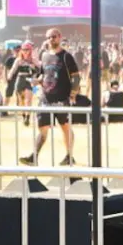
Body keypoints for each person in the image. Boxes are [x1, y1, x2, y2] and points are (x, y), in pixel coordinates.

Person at [20, 29, 80, 166]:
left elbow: (76, 76)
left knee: (65, 127)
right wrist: (37, 80)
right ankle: (34, 157)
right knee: (43, 128)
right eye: (48, 37)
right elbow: (44, 74)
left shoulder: (66, 56)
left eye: (54, 37)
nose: (51, 39)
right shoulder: (45, 55)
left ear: (60, 37)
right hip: (46, 98)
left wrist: (73, 94)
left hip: (62, 99)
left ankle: (69, 156)